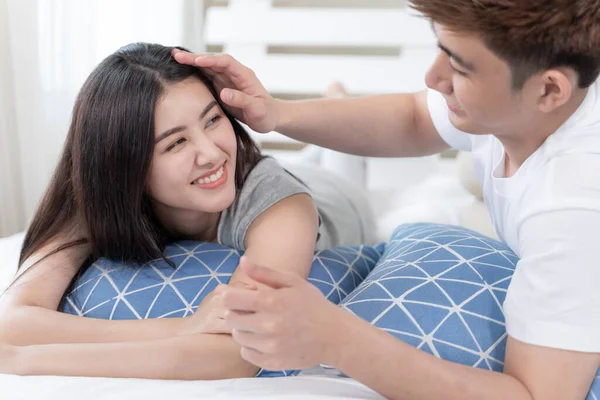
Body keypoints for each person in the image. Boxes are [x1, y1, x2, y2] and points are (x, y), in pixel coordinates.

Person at [171, 0, 600, 398]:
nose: (433, 78)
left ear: (548, 92)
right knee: (470, 176)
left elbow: (536, 394)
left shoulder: (572, 208)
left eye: (461, 68)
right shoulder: (517, 113)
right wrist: (276, 113)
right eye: (440, 49)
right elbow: (414, 119)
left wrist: (336, 339)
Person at [0, 42, 374, 380]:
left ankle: (336, 103)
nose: (210, 152)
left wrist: (26, 361)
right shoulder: (91, 203)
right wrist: (182, 326)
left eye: (213, 119)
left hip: (334, 199)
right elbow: (12, 323)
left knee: (340, 164)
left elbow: (240, 353)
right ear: (124, 167)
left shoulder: (281, 205)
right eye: (176, 142)